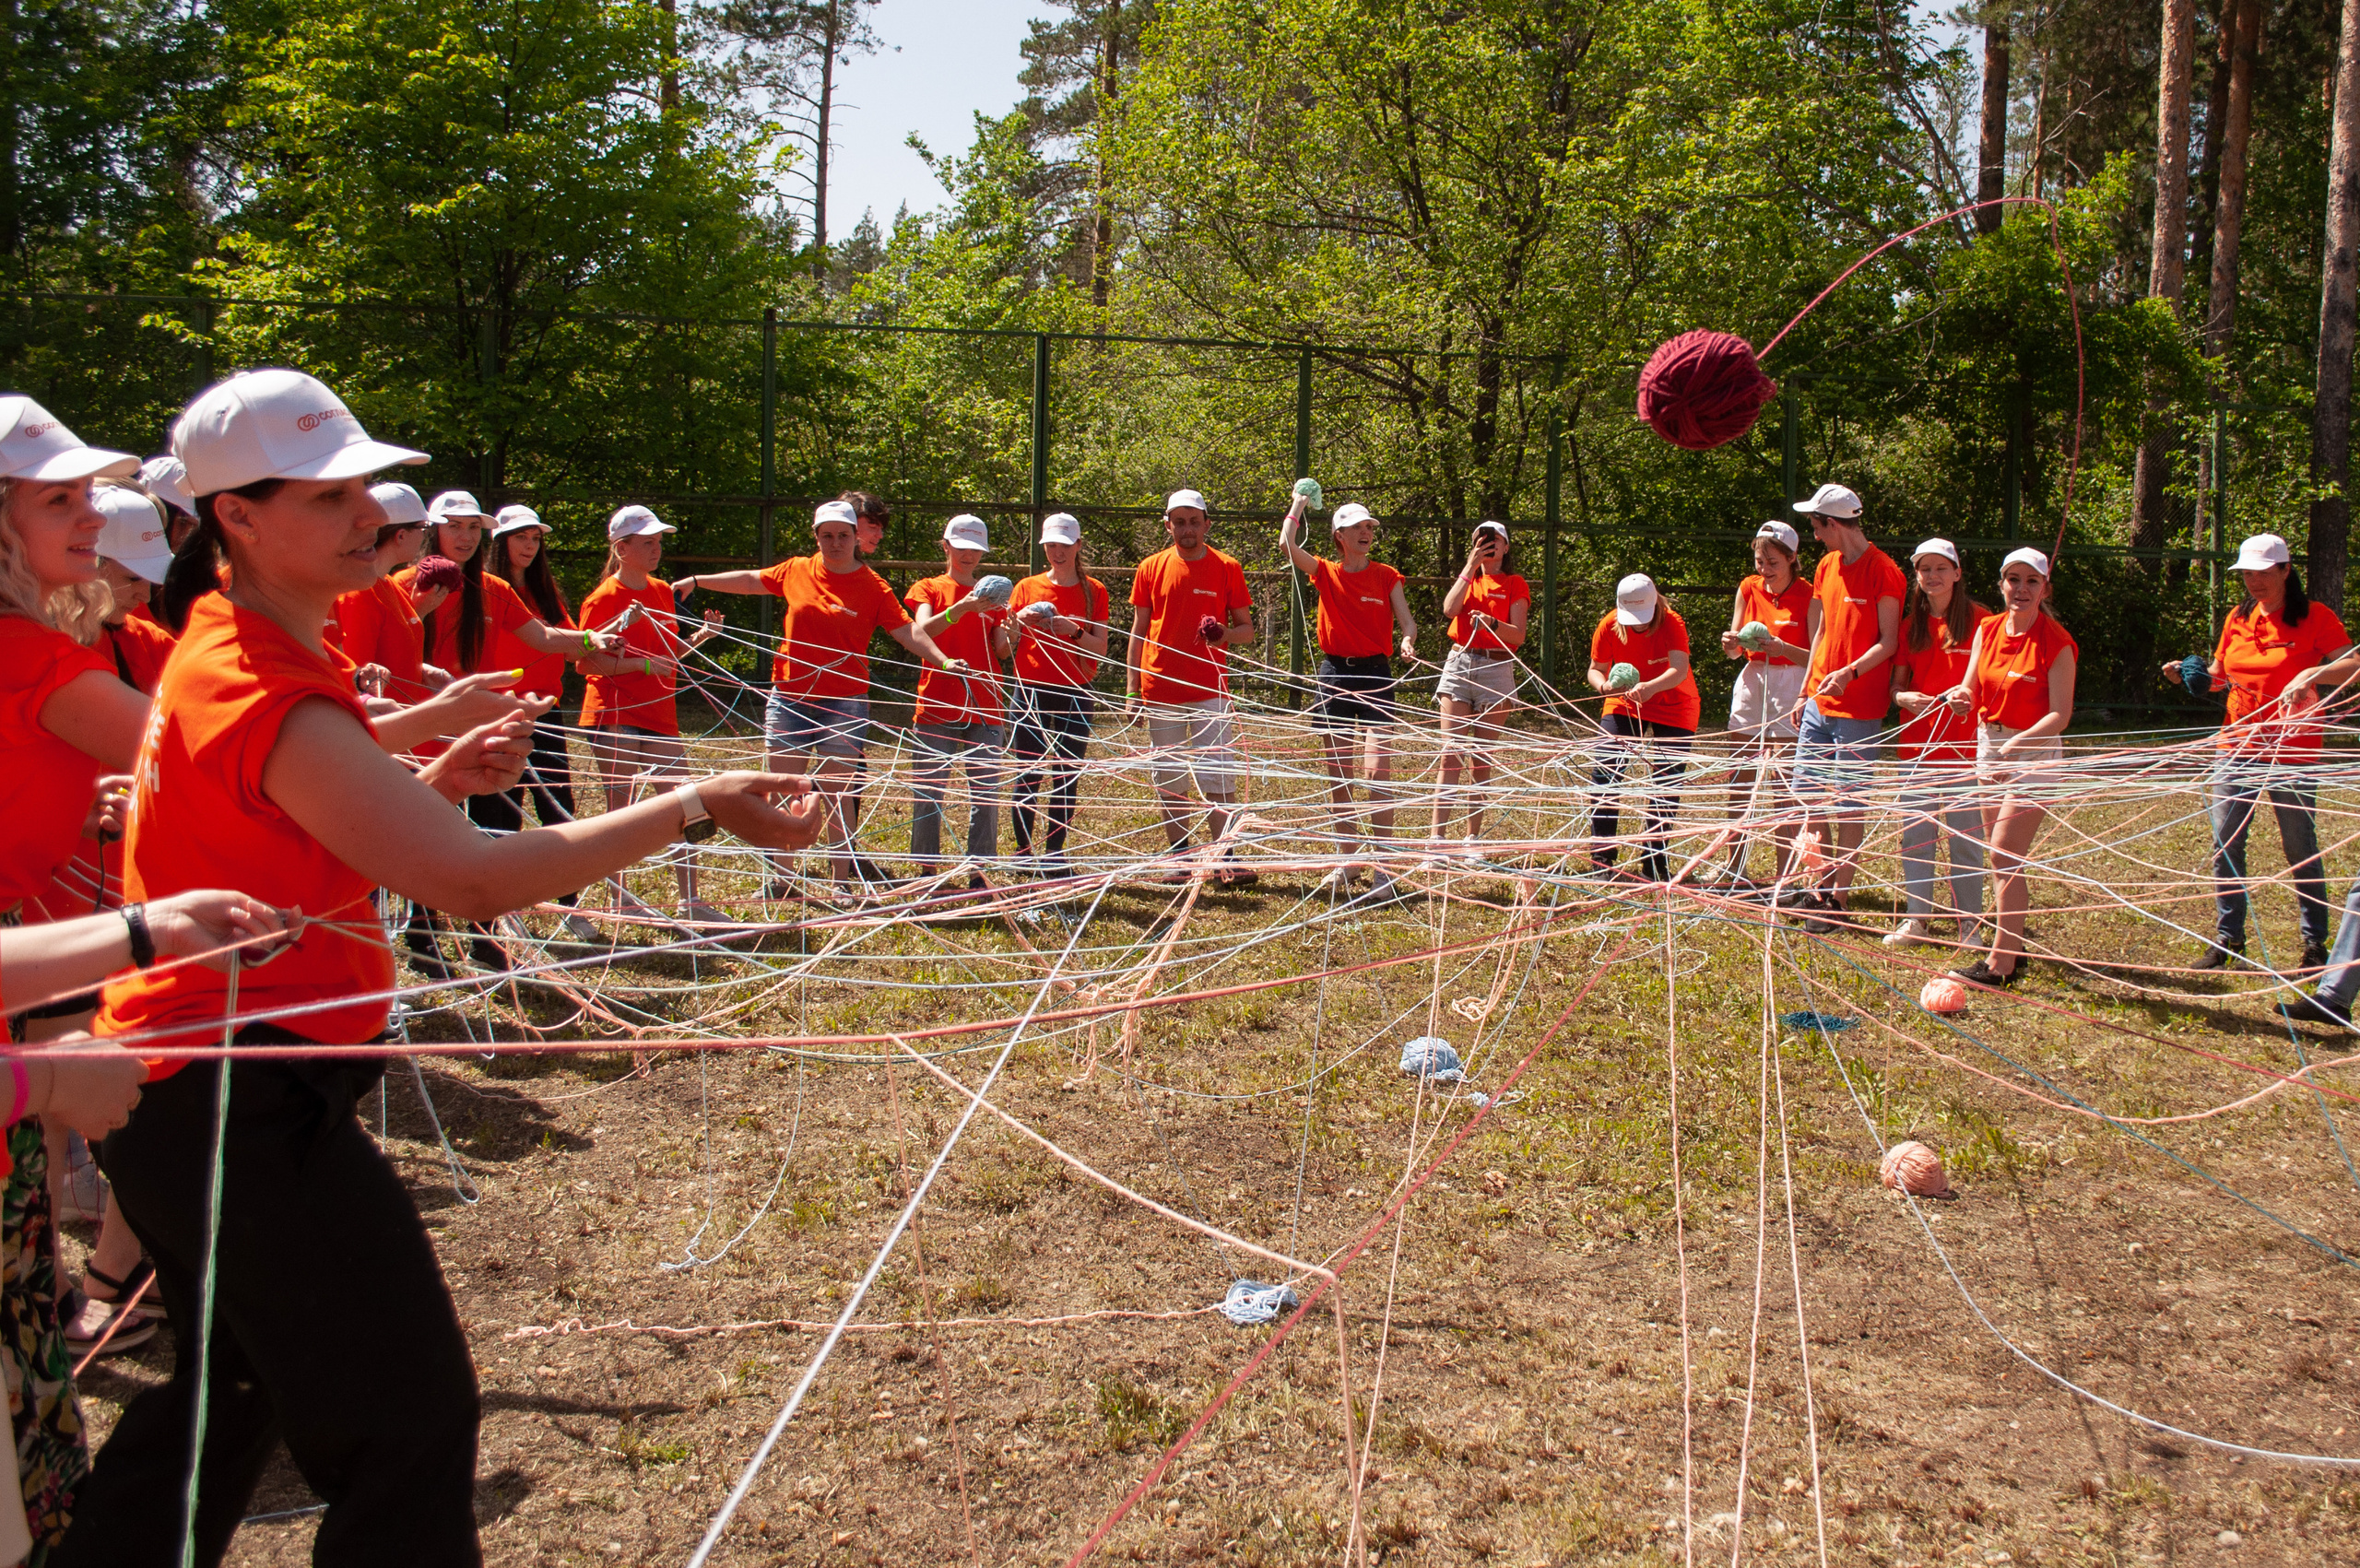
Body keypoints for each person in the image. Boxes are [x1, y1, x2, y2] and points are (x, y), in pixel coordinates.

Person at [58, 368, 823, 1568]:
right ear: (237, 518)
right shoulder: (262, 677)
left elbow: (290, 828)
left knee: (223, 1406)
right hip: (233, 1098)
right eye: (327, 495)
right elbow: (465, 883)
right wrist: (695, 803)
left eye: (366, 483)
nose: (369, 514)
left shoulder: (229, 643)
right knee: (409, 1424)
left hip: (206, 1088)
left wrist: (410, 783)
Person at [395, 490, 625, 970]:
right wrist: (416, 612)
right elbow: (387, 648)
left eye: (473, 528)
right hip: (421, 729)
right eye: (454, 526)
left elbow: (540, 637)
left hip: (483, 728)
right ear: (431, 531)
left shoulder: (495, 588)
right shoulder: (403, 584)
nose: (464, 536)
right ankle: (423, 935)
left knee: (496, 826)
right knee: (422, 830)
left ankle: (485, 935)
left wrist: (589, 638)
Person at [680, 500, 962, 890]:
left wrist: (942, 660)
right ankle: (780, 879)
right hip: (789, 698)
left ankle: (840, 882)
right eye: (826, 536)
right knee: (781, 788)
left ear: (855, 538)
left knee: (837, 794)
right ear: (816, 537)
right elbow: (750, 580)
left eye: (843, 535)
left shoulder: (873, 586)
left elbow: (908, 632)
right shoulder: (796, 569)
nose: (835, 543)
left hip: (843, 703)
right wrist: (698, 580)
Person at [2161, 532, 2348, 973]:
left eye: (2264, 572)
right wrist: (2184, 675)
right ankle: (2228, 939)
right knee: (2225, 843)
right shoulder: (2237, 618)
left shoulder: (2315, 617)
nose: (2255, 582)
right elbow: (2219, 677)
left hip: (2293, 750)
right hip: (2236, 746)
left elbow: (2353, 664)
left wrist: (2311, 673)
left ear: (2285, 571)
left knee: (2299, 844)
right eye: (2247, 573)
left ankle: (2314, 943)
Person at [575, 506, 734, 927]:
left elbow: (667, 657)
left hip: (659, 713)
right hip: (614, 714)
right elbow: (584, 663)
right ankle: (620, 901)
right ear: (621, 549)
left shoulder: (663, 591)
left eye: (659, 542)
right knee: (620, 812)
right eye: (647, 543)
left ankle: (691, 901)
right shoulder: (603, 599)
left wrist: (702, 637)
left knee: (688, 803)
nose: (657, 550)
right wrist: (640, 668)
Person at [1941, 547, 2076, 987]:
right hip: (1989, 745)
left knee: (2003, 852)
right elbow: (1971, 686)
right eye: (2013, 580)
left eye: (2031, 582)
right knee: (2001, 860)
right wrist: (1961, 698)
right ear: (2001, 584)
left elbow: (2061, 714)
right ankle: (2009, 949)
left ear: (2045, 589)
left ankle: (2001, 963)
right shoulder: (1988, 629)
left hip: (2033, 751)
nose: (2021, 589)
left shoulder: (2057, 642)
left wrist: (2017, 743)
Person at [1280, 494, 1418, 898]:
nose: (1366, 533)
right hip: (1335, 673)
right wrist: (1298, 504)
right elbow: (1288, 545)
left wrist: (1407, 641)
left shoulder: (1387, 576)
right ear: (1339, 535)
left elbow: (1407, 621)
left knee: (1377, 771)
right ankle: (1348, 859)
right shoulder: (1325, 572)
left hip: (1377, 673)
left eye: (1370, 527)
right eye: (1358, 527)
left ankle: (1385, 868)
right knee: (1340, 772)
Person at [483, 505, 604, 940]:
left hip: (546, 712)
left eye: (535, 539)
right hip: (500, 711)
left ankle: (570, 904)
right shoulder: (487, 590)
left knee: (557, 805)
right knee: (502, 811)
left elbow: (572, 648)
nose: (530, 547)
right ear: (500, 542)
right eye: (521, 538)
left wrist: (604, 641)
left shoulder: (545, 592)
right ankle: (506, 907)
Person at [1789, 482, 1905, 932]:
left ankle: (1838, 899)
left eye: (1817, 527)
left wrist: (1852, 672)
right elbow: (1819, 635)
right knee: (1808, 795)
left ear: (1833, 524)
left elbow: (1889, 641)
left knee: (1848, 804)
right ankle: (1817, 888)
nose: (1815, 535)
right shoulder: (1825, 567)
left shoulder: (1885, 571)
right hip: (1819, 701)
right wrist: (1805, 690)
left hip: (1859, 707)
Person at [1127, 489, 1258, 884]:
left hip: (1209, 688)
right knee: (1169, 778)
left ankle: (1225, 860)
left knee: (1218, 776)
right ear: (1168, 525)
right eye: (1179, 521)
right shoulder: (1150, 567)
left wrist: (1223, 636)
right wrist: (1132, 689)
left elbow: (1247, 631)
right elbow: (1138, 630)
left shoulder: (1226, 567)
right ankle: (1180, 859)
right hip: (1160, 686)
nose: (1187, 529)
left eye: (1194, 521)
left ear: (1207, 524)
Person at [1885, 539, 1988, 949]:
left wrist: (1970, 700)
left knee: (1965, 839)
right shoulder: (1911, 627)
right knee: (1916, 835)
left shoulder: (1984, 622)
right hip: (1916, 747)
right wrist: (1901, 698)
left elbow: (1992, 681)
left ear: (1957, 573)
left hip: (1964, 751)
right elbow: (1897, 683)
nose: (1932, 576)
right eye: (1924, 569)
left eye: (1940, 568)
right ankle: (1917, 920)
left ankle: (1970, 928)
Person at [903, 514, 1012, 890]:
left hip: (986, 706)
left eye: (975, 550)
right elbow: (918, 633)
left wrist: (1014, 629)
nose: (968, 556)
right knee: (929, 794)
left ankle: (979, 875)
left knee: (985, 796)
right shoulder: (928, 588)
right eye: (961, 547)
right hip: (937, 703)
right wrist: (962, 608)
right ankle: (927, 874)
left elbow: (1000, 651)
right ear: (945, 546)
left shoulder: (995, 595)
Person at [1006, 513, 1110, 881]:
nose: (1056, 551)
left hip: (1075, 691)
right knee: (1027, 772)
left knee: (1066, 774)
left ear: (1078, 546)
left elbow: (1100, 649)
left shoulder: (1094, 590)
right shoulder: (1025, 587)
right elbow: (1004, 645)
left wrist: (1074, 631)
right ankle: (1021, 852)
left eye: (1064, 545)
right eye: (1050, 545)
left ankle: (1054, 852)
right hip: (1030, 688)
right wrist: (1018, 624)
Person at [1711, 520, 1813, 887]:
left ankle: (1784, 875)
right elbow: (1735, 650)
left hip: (1791, 684)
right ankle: (1734, 867)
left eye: (1773, 562)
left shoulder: (1810, 594)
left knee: (1783, 785)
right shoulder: (1749, 588)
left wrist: (1783, 648)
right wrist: (1731, 645)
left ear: (1792, 558)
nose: (1765, 570)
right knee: (1741, 777)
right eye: (1759, 561)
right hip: (1754, 680)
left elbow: (1815, 656)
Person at [1586, 573, 1701, 882]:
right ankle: (1602, 859)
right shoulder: (1609, 624)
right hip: (1625, 701)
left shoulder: (1671, 621)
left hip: (1674, 702)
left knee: (1665, 782)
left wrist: (1650, 687)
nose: (1637, 624)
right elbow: (1595, 670)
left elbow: (1679, 669)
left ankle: (1654, 862)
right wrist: (1604, 687)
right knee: (1606, 770)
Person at [1431, 521, 1528, 854]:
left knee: (1480, 758)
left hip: (1497, 668)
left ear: (1506, 547)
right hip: (1459, 663)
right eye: (1480, 540)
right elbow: (1448, 610)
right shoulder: (1468, 578)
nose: (1488, 545)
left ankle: (1472, 839)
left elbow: (1518, 635)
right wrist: (1469, 566)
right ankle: (1437, 840)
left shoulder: (1515, 583)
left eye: (1494, 540)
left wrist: (1494, 623)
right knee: (1450, 755)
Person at [327, 482, 440, 703]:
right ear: (401, 536)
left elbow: (393, 656)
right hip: (382, 729)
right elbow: (359, 677)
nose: (425, 537)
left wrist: (423, 672)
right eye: (423, 529)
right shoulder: (358, 593)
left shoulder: (388, 585)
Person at [92, 484, 179, 696]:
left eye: (152, 579)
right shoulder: (44, 646)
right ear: (90, 564)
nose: (145, 596)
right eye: (133, 578)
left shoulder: (147, 640)